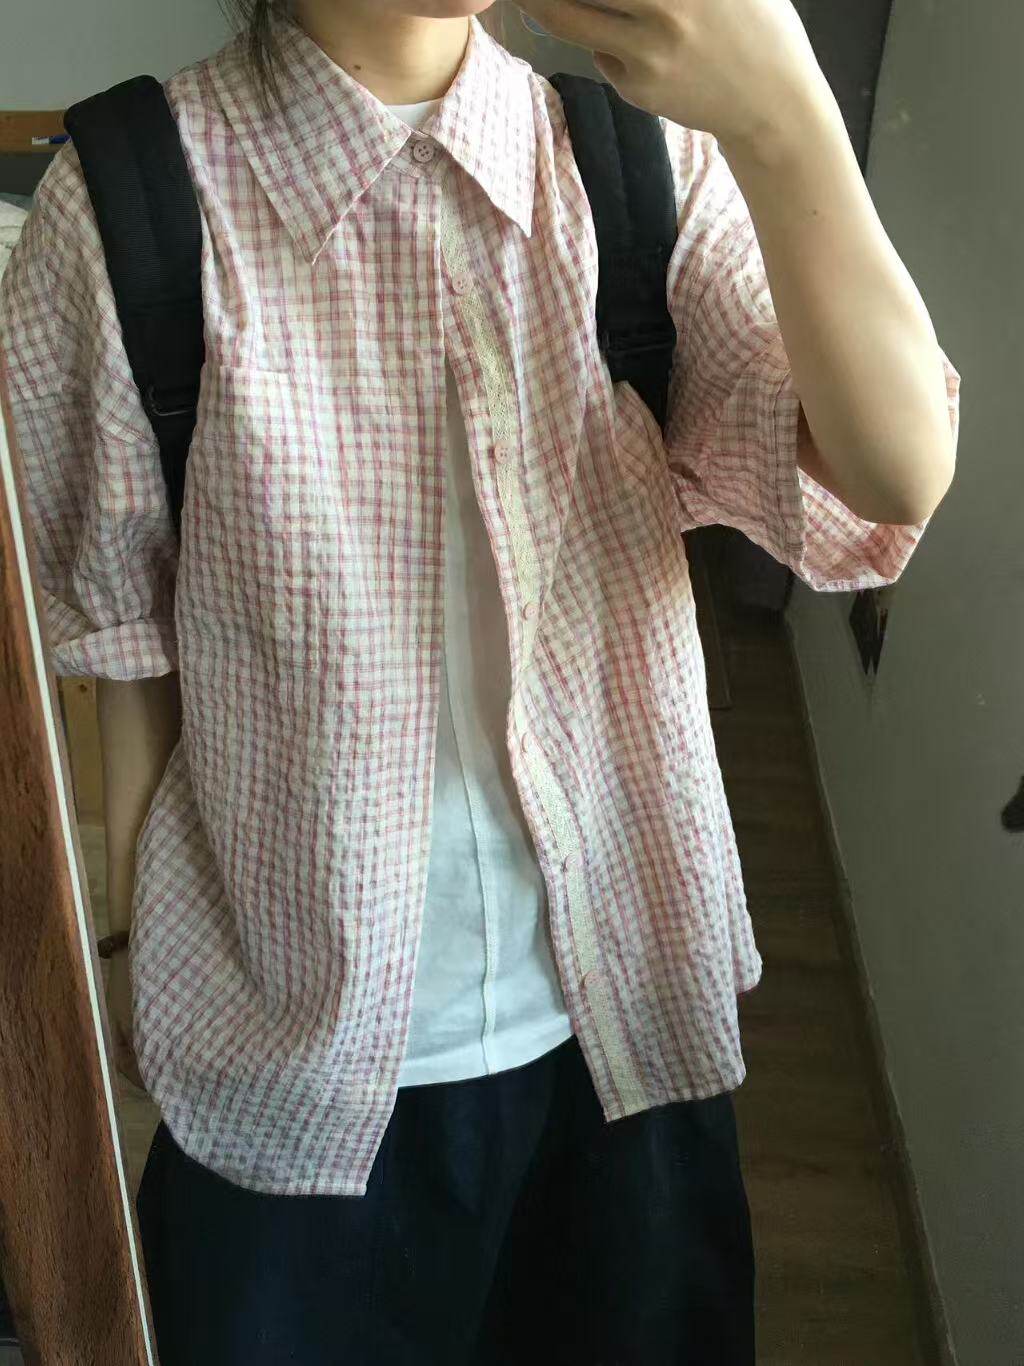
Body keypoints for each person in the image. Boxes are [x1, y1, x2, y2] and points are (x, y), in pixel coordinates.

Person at [0, 0, 961, 1361]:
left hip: (622, 1045)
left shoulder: (632, 169)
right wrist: (141, 984)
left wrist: (787, 117)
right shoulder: (125, 210)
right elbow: (126, 654)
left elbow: (893, 471)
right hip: (281, 1079)